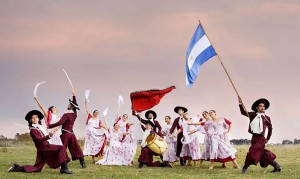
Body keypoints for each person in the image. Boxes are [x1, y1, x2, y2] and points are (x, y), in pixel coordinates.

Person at [8, 110, 72, 174]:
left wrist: (52, 131)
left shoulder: (40, 128)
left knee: (37, 168)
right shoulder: (33, 130)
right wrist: (48, 136)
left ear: (38, 119)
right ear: (31, 120)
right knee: (61, 148)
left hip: (41, 149)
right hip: (43, 147)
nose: (35, 118)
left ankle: (17, 168)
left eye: (36, 117)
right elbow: (39, 140)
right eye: (33, 118)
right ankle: (64, 169)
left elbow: (47, 134)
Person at [238, 97, 281, 173]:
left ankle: (244, 169)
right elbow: (243, 112)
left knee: (252, 152)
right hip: (254, 138)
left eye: (263, 106)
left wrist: (268, 138)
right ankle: (277, 166)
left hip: (261, 139)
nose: (262, 107)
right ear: (257, 107)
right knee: (262, 154)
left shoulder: (267, 118)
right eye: (261, 106)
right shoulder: (252, 115)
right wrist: (240, 103)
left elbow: (270, 128)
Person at [48, 89, 86, 168]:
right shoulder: (74, 114)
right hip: (72, 134)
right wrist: (74, 96)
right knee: (76, 148)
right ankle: (83, 163)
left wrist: (50, 126)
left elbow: (59, 123)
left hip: (65, 135)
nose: (68, 105)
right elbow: (75, 105)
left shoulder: (66, 114)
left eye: (69, 104)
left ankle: (60, 163)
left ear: (71, 106)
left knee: (61, 148)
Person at [83, 99, 108, 164]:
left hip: (95, 133)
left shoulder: (98, 120)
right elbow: (86, 110)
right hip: (89, 133)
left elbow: (101, 125)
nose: (96, 114)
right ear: (93, 113)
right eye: (95, 112)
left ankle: (100, 155)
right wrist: (86, 102)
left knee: (95, 145)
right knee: (90, 145)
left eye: (97, 113)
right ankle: (92, 158)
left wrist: (106, 128)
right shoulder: (90, 117)